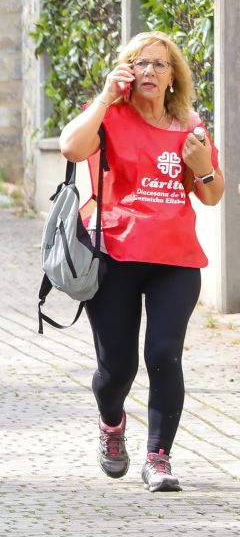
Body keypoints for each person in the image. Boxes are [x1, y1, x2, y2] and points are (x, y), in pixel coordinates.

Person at [58, 30, 225, 492]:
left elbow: (212, 194)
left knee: (164, 355)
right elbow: (70, 147)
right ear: (127, 71)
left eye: (158, 64)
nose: (148, 70)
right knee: (117, 370)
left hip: (176, 259)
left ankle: (159, 457)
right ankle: (112, 425)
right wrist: (105, 97)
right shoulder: (111, 117)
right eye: (139, 63)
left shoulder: (190, 125)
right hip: (116, 256)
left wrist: (202, 164)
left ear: (174, 77)